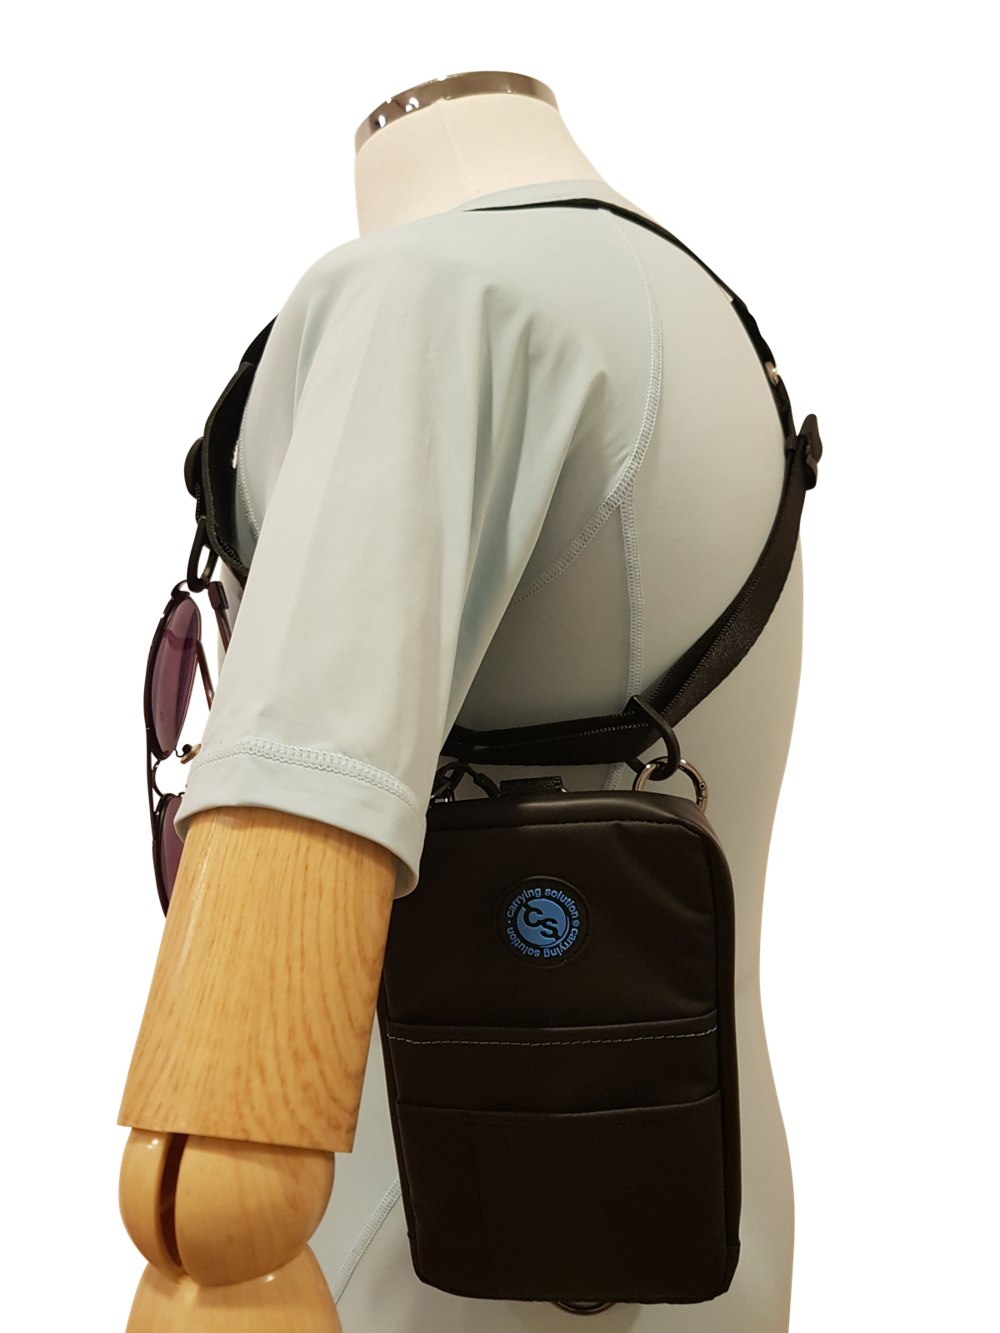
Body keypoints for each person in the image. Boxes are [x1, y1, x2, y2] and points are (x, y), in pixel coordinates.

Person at [119, 69, 801, 1331]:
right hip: (698, 1208)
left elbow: (220, 1188)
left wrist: (202, 1234)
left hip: (410, 1262)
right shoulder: (707, 310)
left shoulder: (425, 299)